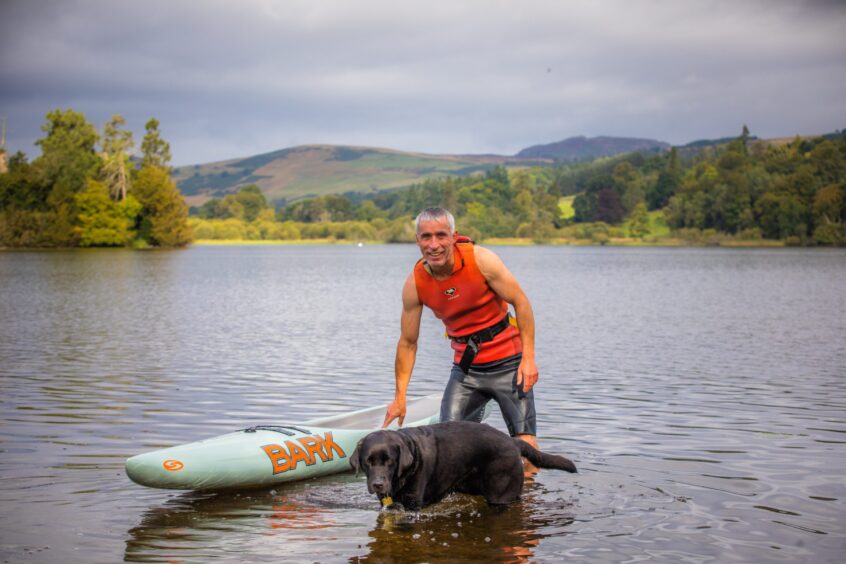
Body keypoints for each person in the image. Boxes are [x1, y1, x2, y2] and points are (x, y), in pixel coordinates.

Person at [382, 207, 541, 468]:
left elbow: (521, 302)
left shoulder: (481, 260)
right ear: (417, 240)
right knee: (447, 445)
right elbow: (408, 342)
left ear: (454, 236)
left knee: (525, 446)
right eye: (426, 237)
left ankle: (530, 505)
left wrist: (529, 359)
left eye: (441, 236)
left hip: (510, 363)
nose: (434, 245)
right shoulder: (415, 284)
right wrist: (400, 397)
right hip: (467, 370)